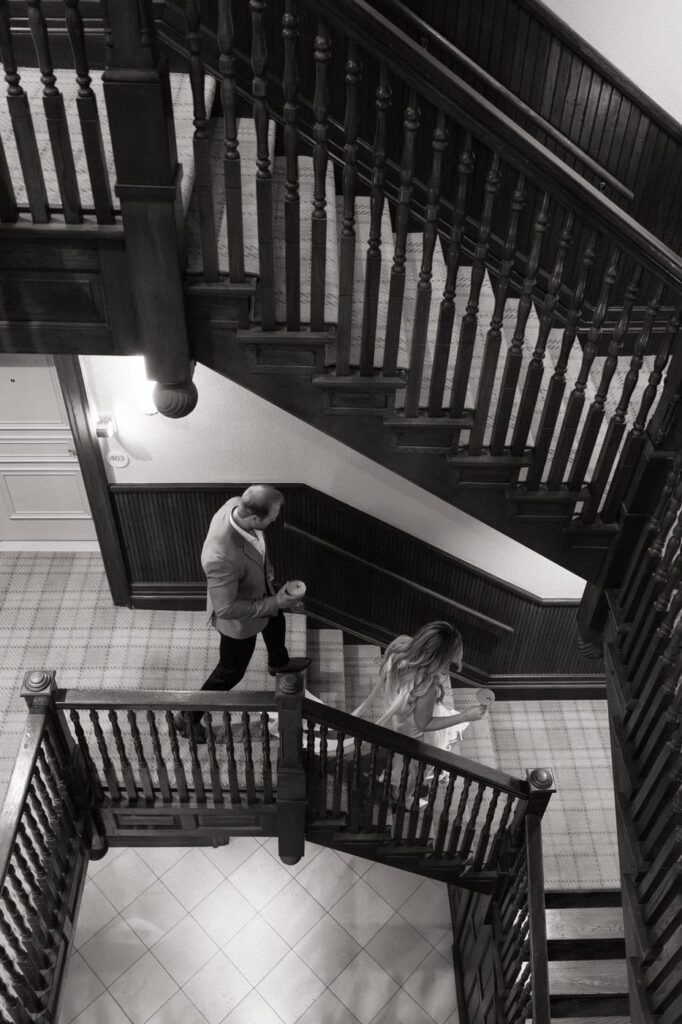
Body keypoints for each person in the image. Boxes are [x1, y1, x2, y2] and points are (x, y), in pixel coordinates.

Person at [175, 485, 310, 740]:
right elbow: (226, 608)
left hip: (257, 588)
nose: (275, 519)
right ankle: (187, 717)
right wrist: (276, 602)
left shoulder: (237, 504)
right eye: (273, 516)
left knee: (276, 621)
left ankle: (278, 662)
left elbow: (257, 545)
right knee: (230, 672)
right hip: (238, 620)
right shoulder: (220, 556)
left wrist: (267, 569)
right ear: (255, 518)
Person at [352, 622, 491, 800]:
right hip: (414, 734)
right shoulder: (425, 689)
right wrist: (465, 716)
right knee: (413, 769)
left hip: (400, 718)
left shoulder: (399, 649)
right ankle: (402, 796)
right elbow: (424, 724)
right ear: (437, 659)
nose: (448, 668)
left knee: (401, 758)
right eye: (447, 662)